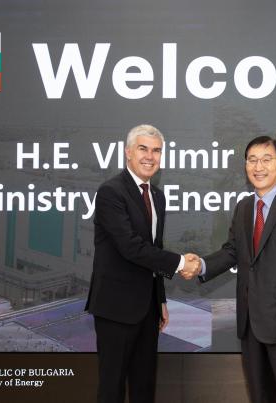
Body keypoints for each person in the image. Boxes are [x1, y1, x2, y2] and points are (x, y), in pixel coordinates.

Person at [188, 136, 276, 403]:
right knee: (260, 396)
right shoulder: (244, 207)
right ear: (246, 166)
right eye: (252, 160)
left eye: (266, 159)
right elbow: (232, 252)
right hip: (250, 324)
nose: (258, 166)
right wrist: (200, 265)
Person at [85, 124, 201, 403]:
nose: (150, 156)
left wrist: (159, 299)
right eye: (143, 149)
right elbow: (130, 247)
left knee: (144, 387)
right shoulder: (111, 192)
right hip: (115, 309)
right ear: (128, 153)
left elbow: (153, 249)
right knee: (111, 389)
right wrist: (180, 262)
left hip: (147, 309)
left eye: (156, 150)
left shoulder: (157, 196)